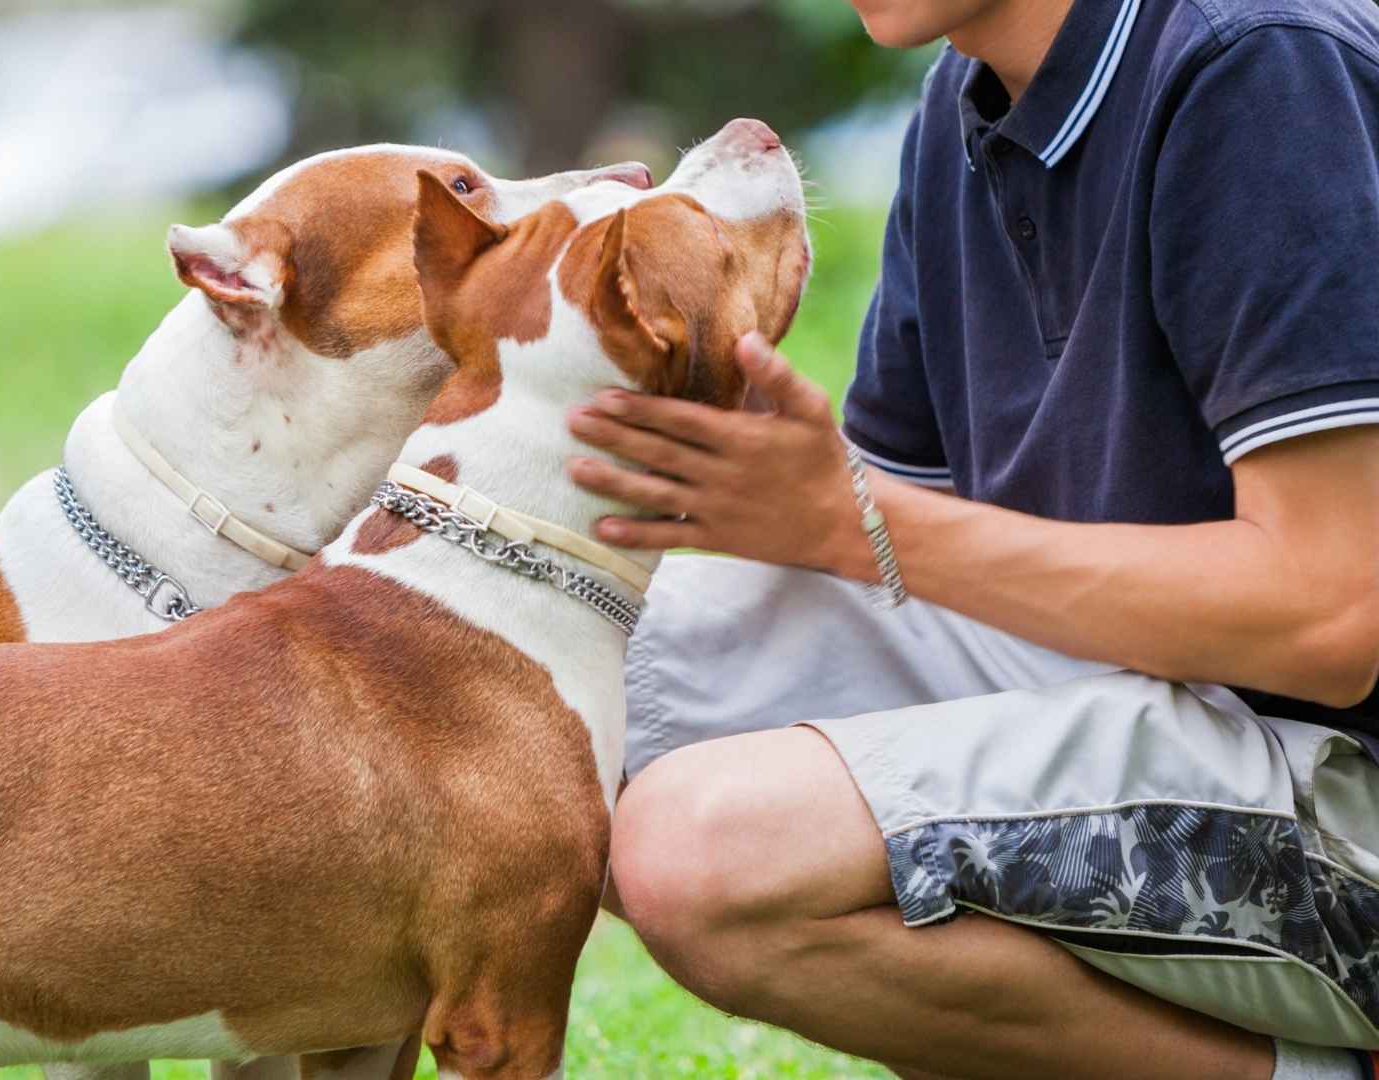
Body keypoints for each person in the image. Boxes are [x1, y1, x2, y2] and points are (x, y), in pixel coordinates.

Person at [567, 0, 1379, 1077]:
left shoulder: (1262, 65)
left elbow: (1333, 612)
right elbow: (903, 546)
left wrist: (857, 520)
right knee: (562, 681)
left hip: (1338, 796)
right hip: (1135, 698)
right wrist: (732, 453)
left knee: (698, 844)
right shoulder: (963, 101)